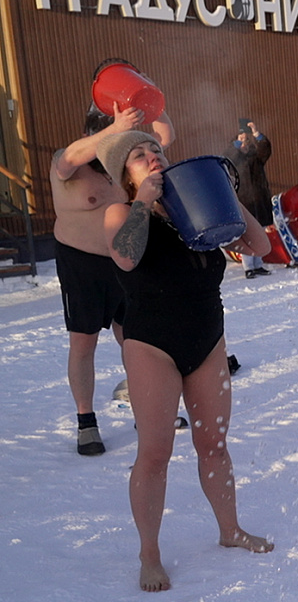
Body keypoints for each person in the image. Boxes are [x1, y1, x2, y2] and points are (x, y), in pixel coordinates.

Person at [99, 130, 273, 592]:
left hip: (207, 338)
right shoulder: (120, 212)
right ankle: (149, 554)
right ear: (126, 176)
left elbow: (259, 246)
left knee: (213, 444)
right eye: (139, 156)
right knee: (155, 453)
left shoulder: (196, 206)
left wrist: (226, 195)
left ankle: (230, 530)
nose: (152, 157)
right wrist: (144, 201)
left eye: (155, 150)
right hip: (151, 344)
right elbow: (126, 258)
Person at [51, 90, 174, 456]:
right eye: (111, 133)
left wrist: (152, 101)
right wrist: (115, 129)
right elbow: (69, 159)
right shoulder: (68, 163)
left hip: (124, 261)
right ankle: (86, 421)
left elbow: (164, 137)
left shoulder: (122, 167)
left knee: (136, 340)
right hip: (80, 264)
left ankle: (145, 408)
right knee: (83, 343)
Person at [224, 119, 274, 278]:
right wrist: (239, 142)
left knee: (259, 233)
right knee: (247, 234)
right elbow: (227, 156)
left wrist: (256, 133)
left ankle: (258, 265)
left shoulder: (255, 156)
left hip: (259, 200)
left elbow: (265, 149)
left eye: (246, 141)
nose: (244, 144)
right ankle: (248, 267)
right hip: (244, 200)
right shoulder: (234, 157)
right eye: (241, 142)